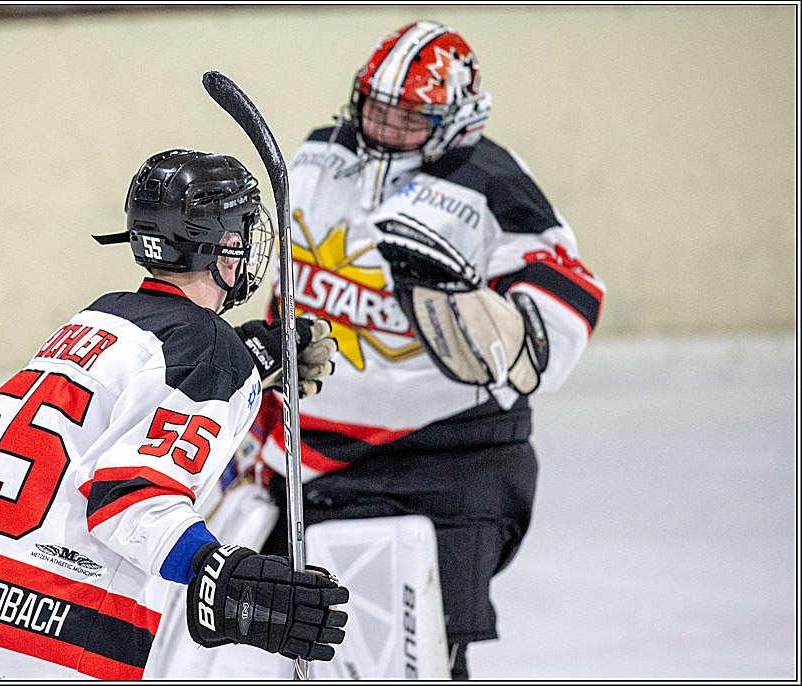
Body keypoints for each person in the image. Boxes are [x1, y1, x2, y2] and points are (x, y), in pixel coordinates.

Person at [245, 20, 606, 679]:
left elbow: (561, 315)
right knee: (287, 649)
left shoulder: (494, 183)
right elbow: (285, 291)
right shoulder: (316, 156)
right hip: (306, 458)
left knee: (417, 658)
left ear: (457, 119)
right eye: (375, 107)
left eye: (408, 118)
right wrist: (262, 409)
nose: (383, 127)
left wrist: (483, 313)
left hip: (445, 463)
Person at [0, 149, 346, 680]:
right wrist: (220, 572)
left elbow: (135, 399)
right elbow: (130, 499)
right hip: (51, 636)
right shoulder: (207, 351)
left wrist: (249, 358)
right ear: (223, 245)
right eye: (241, 233)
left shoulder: (96, 317)